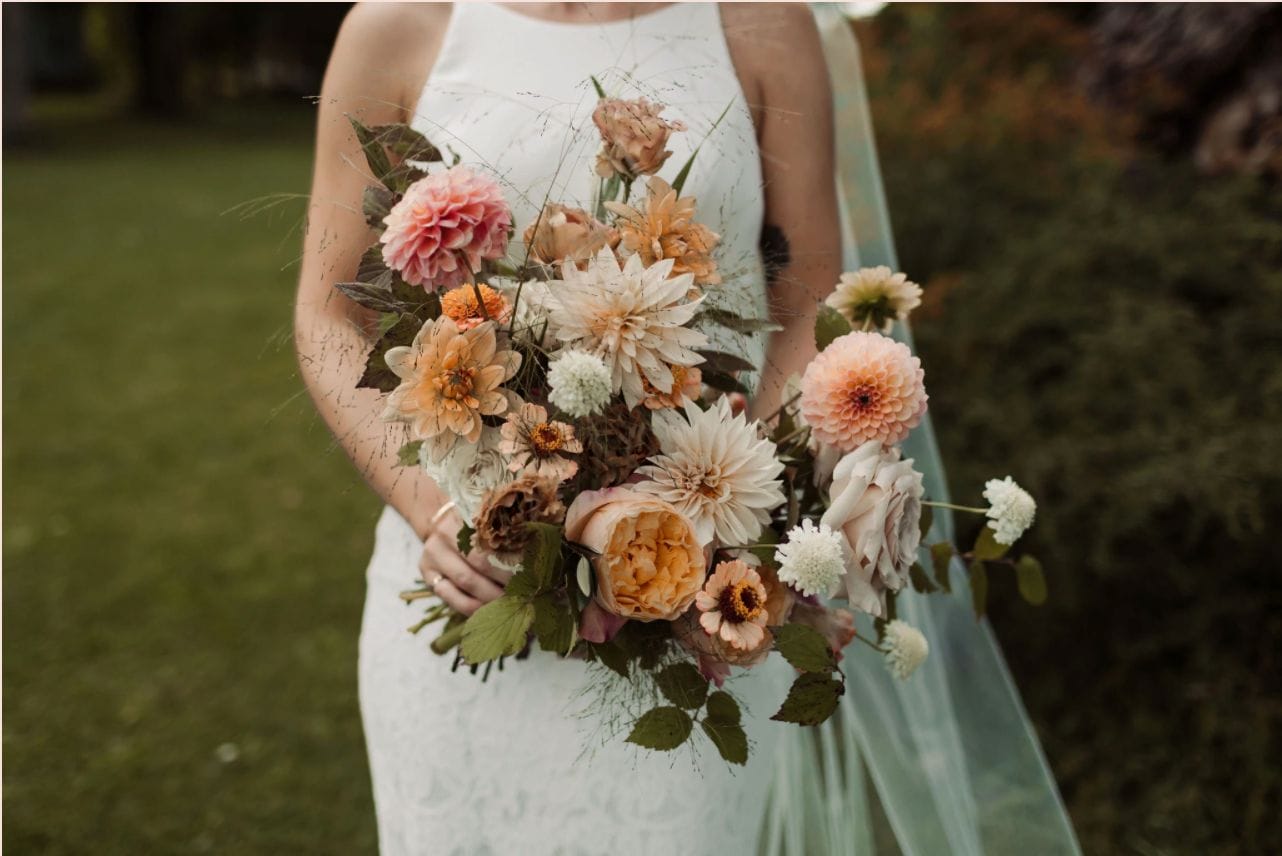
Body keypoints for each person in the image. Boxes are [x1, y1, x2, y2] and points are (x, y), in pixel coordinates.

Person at [295, 4, 1081, 854]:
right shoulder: (400, 25)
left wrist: (733, 508)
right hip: (467, 592)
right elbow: (326, 313)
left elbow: (806, 304)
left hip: (690, 601)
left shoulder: (763, 25)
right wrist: (437, 512)